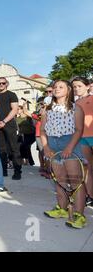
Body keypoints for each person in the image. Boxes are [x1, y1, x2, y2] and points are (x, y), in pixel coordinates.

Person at [41, 80, 87, 229]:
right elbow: (42, 130)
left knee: (75, 181)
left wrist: (69, 147)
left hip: (70, 143)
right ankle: (61, 208)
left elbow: (79, 130)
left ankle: (79, 215)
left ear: (68, 90)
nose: (56, 89)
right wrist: (46, 147)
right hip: (52, 145)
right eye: (55, 87)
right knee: (59, 181)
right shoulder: (47, 109)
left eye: (61, 87)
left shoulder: (76, 108)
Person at [0, 77, 22, 180]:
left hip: (9, 124)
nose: (1, 85)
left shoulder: (12, 95)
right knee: (1, 149)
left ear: (6, 84)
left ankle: (17, 172)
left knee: (14, 148)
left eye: (3, 83)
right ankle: (3, 171)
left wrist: (4, 121)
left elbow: (14, 110)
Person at [77, 94, 93, 207]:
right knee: (87, 168)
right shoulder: (75, 102)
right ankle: (90, 196)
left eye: (79, 86)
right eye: (75, 86)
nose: (77, 88)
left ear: (87, 86)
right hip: (82, 138)